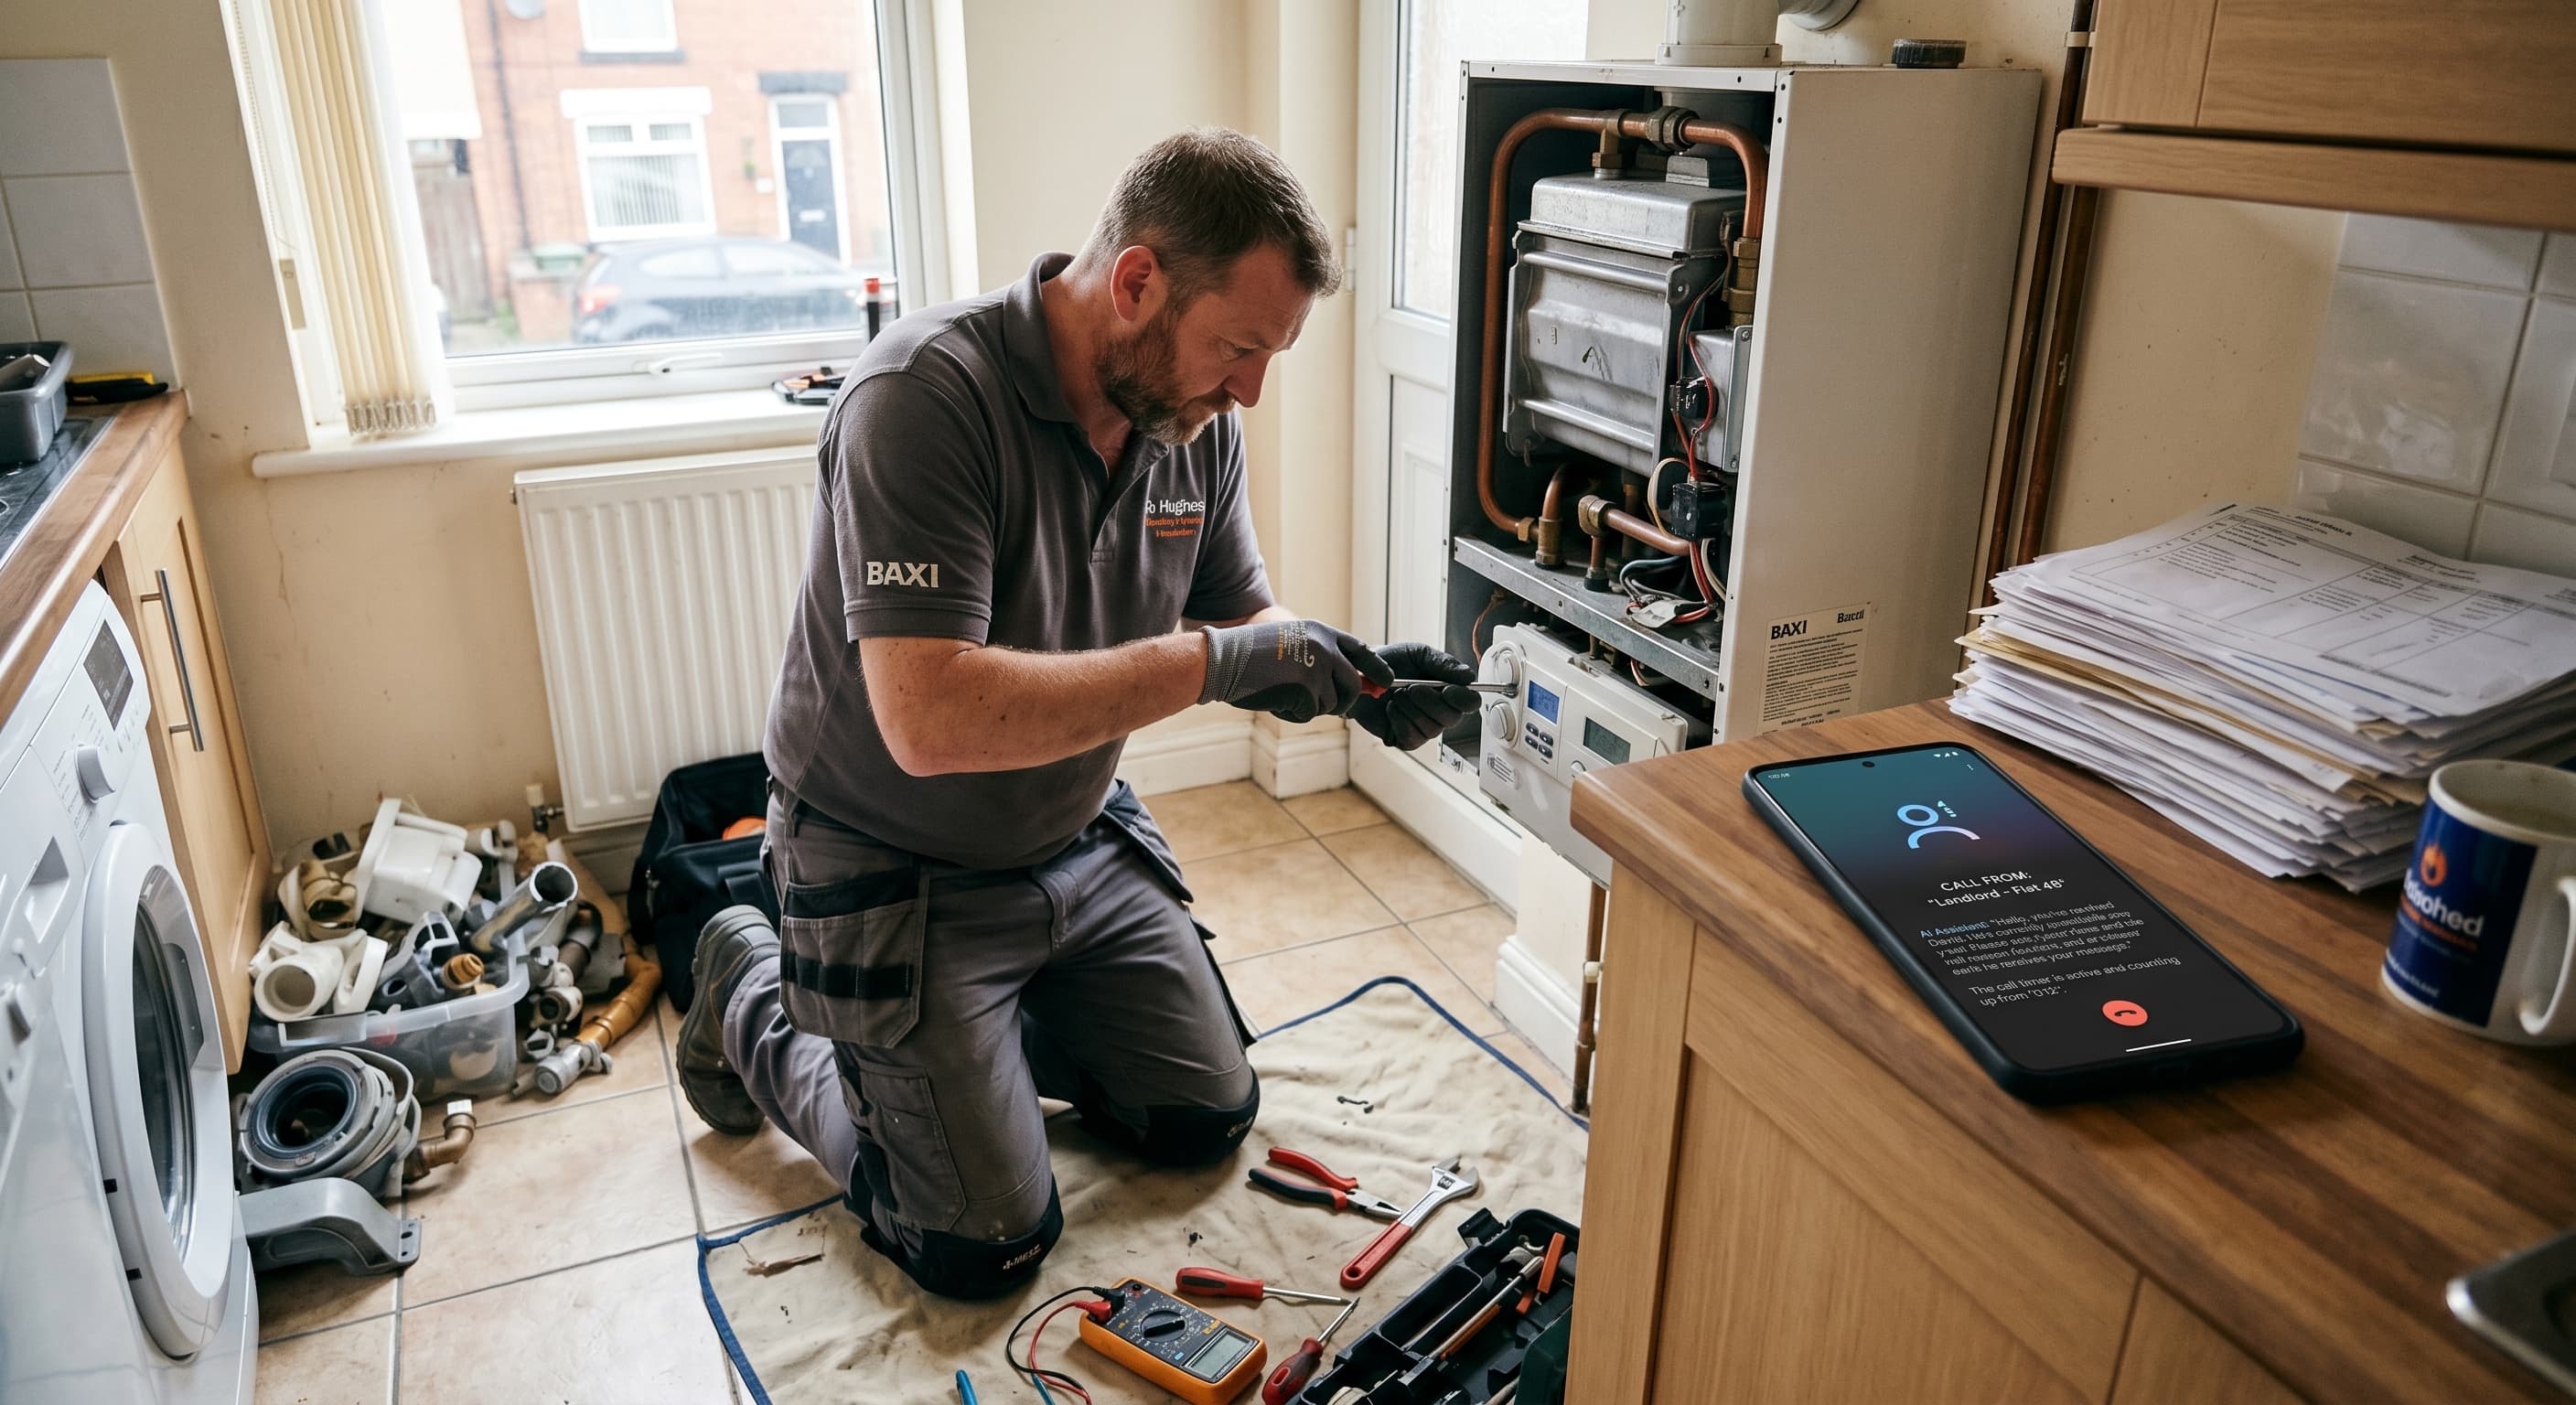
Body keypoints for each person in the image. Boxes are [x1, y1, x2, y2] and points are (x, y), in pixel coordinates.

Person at [673, 128, 1481, 1300]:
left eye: (1269, 357)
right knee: (976, 1242)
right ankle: (751, 982)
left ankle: (975, 1046)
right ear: (1138, 282)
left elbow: (1237, 620)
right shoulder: (920, 398)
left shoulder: (1190, 424)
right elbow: (930, 719)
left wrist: (1348, 678)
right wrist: (1222, 662)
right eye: (1237, 347)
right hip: (896, 858)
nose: (1249, 387)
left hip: (1073, 836)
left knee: (1203, 1117)